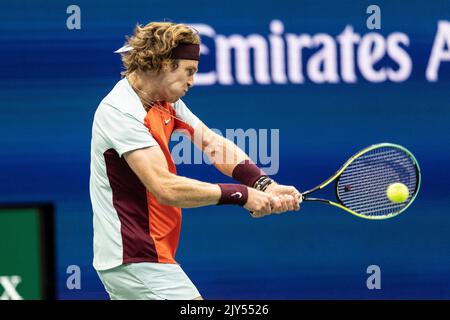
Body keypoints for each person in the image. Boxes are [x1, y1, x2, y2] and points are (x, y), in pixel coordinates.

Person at [89, 21, 302, 300]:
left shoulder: (163, 100)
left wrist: (263, 184)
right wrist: (241, 195)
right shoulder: (121, 112)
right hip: (136, 256)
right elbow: (165, 188)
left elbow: (211, 144)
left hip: (143, 257)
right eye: (188, 71)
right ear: (164, 64)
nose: (192, 81)